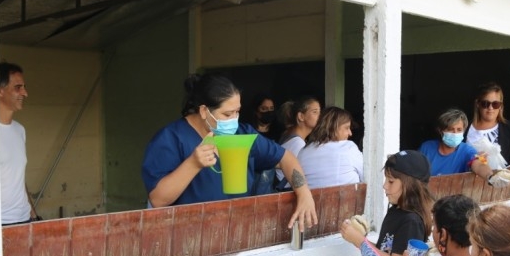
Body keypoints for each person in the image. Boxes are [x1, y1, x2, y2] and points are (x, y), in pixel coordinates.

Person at [141, 74, 317, 231]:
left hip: (236, 232)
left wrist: (304, 193)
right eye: (227, 114)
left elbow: (286, 158)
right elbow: (158, 199)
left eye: (237, 112)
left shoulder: (243, 134)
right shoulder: (172, 138)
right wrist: (193, 164)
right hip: (188, 238)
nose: (234, 120)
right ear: (204, 111)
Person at [0, 62, 38, 225]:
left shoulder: (19, 130)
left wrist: (32, 212)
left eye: (24, 87)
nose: (25, 93)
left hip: (24, 218)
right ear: (0, 91)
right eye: (18, 87)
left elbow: (18, 178)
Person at [464, 82, 510, 169]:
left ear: (501, 106)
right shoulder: (463, 129)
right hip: (467, 181)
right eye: (485, 104)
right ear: (478, 104)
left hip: (501, 181)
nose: (490, 108)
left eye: (495, 104)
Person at [419, 108, 495, 182]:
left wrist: (491, 177)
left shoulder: (467, 151)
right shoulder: (426, 148)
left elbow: (478, 165)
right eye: (450, 129)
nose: (455, 133)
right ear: (440, 131)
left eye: (459, 130)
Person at [297, 107, 364, 188]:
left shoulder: (303, 152)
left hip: (312, 200)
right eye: (346, 128)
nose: (350, 133)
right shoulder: (348, 148)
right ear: (333, 128)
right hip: (346, 199)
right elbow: (366, 176)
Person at [276, 96, 322, 188]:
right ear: (301, 116)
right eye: (315, 112)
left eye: (320, 112)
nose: (320, 116)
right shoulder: (298, 144)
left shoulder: (290, 135)